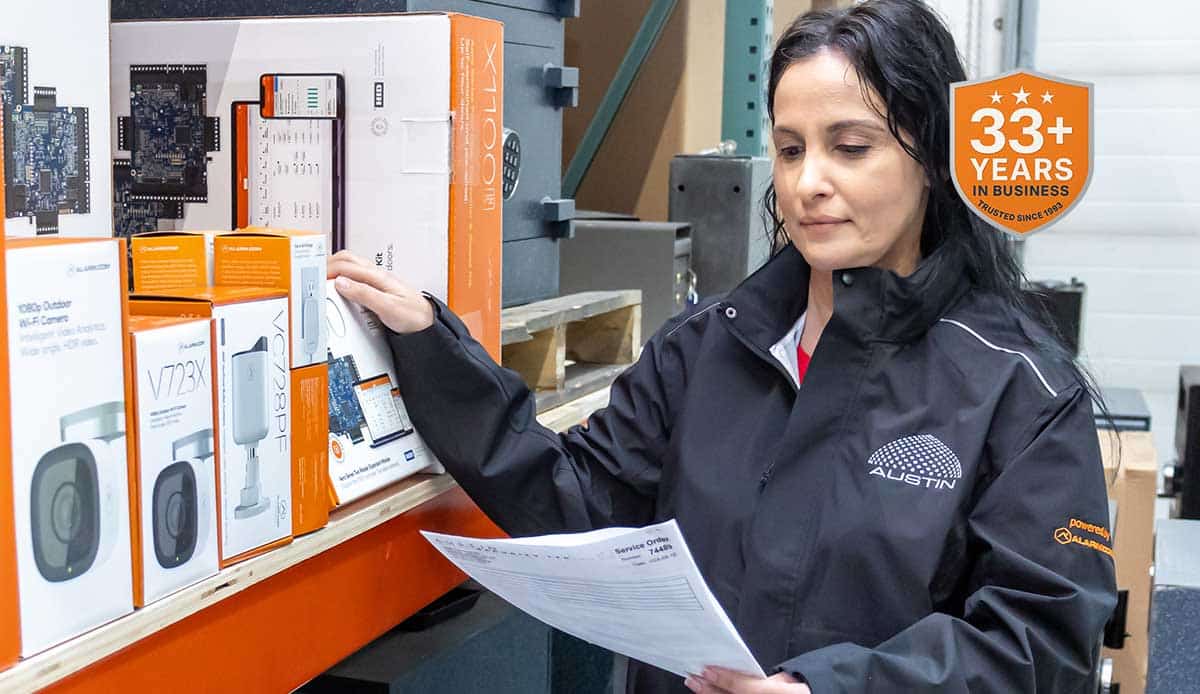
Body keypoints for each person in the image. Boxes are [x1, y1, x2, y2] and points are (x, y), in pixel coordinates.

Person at [328, 1, 1117, 691]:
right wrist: (433, 346)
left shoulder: (1019, 391)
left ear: (932, 160)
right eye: (791, 147)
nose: (808, 182)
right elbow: (578, 501)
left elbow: (1041, 642)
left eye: (850, 147)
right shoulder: (709, 349)